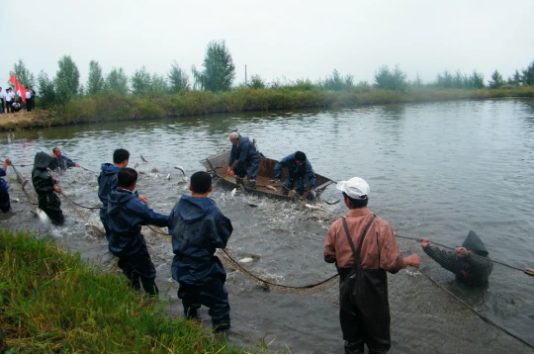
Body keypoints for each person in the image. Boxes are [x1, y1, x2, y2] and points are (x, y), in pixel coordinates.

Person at [324, 177, 420, 354]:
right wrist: (409, 260)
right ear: (366, 199)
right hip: (374, 295)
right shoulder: (382, 226)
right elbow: (391, 264)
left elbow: (329, 257)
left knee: (353, 342)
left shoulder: (336, 226)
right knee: (378, 346)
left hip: (347, 293)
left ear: (347, 201)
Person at [168, 171, 233, 332]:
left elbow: (171, 228)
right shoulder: (213, 213)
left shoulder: (178, 206)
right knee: (219, 304)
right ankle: (221, 342)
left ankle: (191, 329)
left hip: (181, 265)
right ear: (210, 188)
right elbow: (221, 241)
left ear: (190, 187)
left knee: (188, 300)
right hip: (204, 267)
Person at [107, 168, 169, 295]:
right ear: (134, 183)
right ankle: (152, 301)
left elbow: (125, 202)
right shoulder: (132, 203)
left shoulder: (112, 195)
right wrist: (174, 219)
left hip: (115, 242)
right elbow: (151, 217)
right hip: (132, 245)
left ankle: (134, 294)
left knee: (129, 271)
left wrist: (135, 196)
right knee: (147, 273)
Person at [421, 231, 493, 287]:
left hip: (477, 289)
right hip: (458, 285)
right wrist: (427, 248)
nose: (465, 253)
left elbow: (481, 266)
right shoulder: (458, 260)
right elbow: (442, 256)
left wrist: (467, 256)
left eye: (472, 253)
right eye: (465, 251)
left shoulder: (487, 263)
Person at [98, 148, 130, 240]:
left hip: (104, 210)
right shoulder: (118, 176)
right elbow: (117, 197)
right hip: (114, 213)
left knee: (111, 239)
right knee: (121, 240)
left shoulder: (105, 171)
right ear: (125, 161)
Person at [32, 152, 65, 225]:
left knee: (58, 214)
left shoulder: (43, 170)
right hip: (46, 200)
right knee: (55, 216)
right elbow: (39, 188)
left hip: (50, 198)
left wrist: (53, 180)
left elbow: (45, 179)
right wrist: (53, 188)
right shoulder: (37, 173)